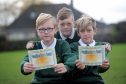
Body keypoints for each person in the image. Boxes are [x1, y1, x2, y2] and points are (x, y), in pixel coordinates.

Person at [20, 13, 76, 84]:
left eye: (49, 28)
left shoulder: (62, 44)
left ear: (55, 29)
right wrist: (24, 66)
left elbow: (70, 57)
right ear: (37, 31)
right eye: (42, 29)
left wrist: (66, 66)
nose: (46, 32)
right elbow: (25, 60)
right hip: (39, 81)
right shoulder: (35, 47)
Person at [70, 15, 110, 84]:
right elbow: (74, 65)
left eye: (89, 30)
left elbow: (102, 67)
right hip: (77, 80)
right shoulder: (73, 47)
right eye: (82, 31)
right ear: (78, 33)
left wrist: (104, 66)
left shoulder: (101, 46)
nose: (86, 34)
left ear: (94, 31)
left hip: (96, 80)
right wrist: (83, 66)